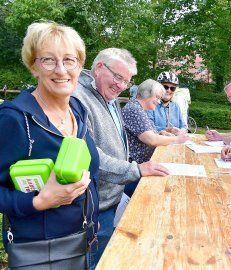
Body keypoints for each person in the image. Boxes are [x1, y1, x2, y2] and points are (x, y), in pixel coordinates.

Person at [0, 21, 99, 267]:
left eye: (69, 60)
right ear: (33, 66)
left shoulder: (78, 110)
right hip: (42, 253)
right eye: (48, 60)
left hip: (83, 242)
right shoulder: (15, 119)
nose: (61, 70)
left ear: (80, 65)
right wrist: (39, 201)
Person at [73, 48, 169, 269]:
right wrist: (135, 170)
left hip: (112, 198)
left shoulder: (110, 96)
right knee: (93, 262)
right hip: (94, 205)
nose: (121, 85)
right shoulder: (78, 97)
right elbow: (89, 155)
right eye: (117, 77)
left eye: (126, 81)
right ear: (98, 68)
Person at [122, 79, 189, 196]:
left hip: (144, 165)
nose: (159, 102)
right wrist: (177, 140)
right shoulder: (135, 109)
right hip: (138, 170)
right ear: (147, 94)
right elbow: (151, 139)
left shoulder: (139, 108)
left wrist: (163, 133)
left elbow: (152, 134)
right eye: (157, 97)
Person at [147, 71, 187, 135]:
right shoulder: (150, 105)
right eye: (165, 87)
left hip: (174, 143)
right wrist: (166, 130)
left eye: (172, 88)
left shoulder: (176, 106)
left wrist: (182, 131)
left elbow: (184, 126)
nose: (168, 90)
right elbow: (147, 127)